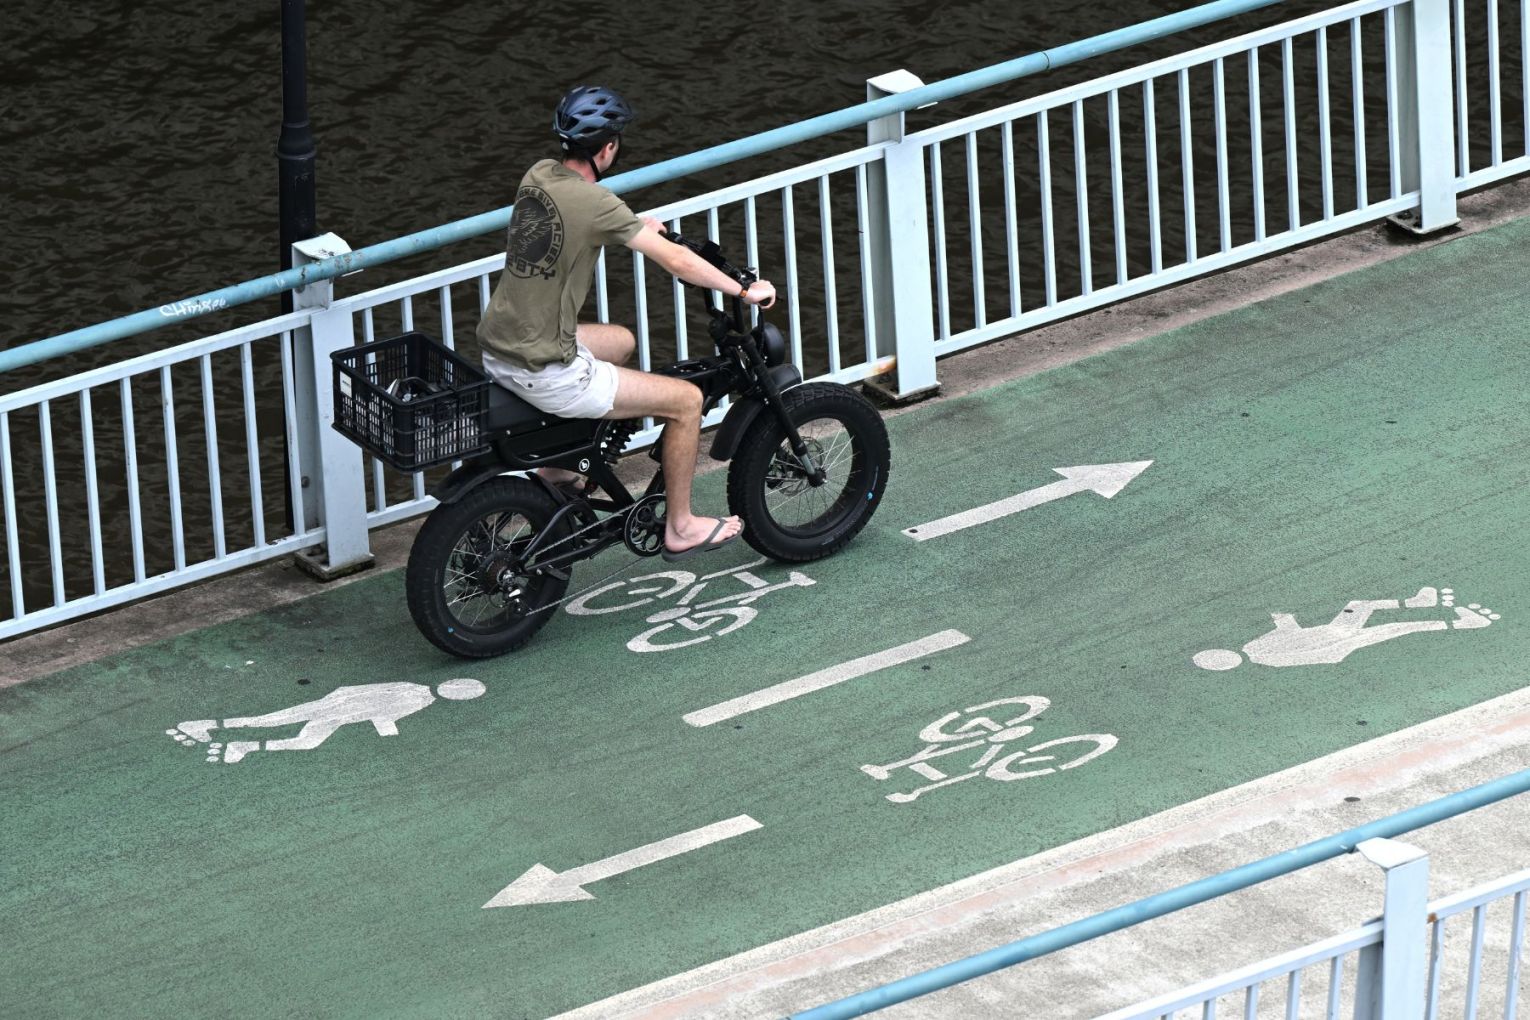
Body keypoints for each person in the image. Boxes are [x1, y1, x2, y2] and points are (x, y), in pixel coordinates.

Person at [475, 84, 777, 562]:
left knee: (620, 341)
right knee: (686, 400)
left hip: (501, 347)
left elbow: (582, 216)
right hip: (546, 368)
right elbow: (677, 263)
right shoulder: (599, 206)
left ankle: (561, 471)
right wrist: (743, 290)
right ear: (609, 147)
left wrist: (635, 224)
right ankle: (680, 526)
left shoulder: (538, 176)